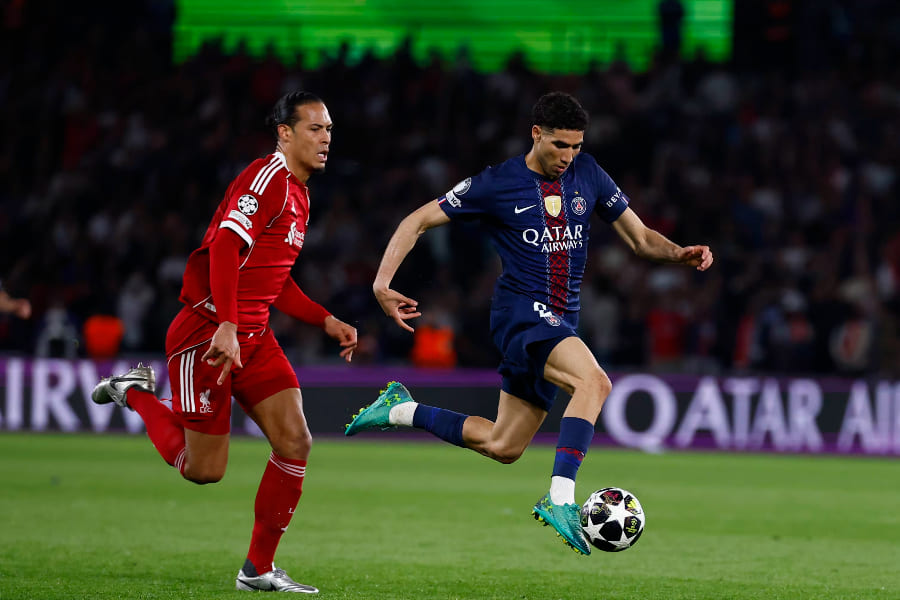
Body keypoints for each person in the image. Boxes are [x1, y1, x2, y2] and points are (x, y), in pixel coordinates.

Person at [345, 92, 713, 555]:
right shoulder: (498, 183)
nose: (568, 156)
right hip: (520, 311)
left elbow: (639, 238)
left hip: (560, 320)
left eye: (576, 146)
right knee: (594, 383)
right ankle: (561, 497)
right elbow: (415, 221)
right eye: (560, 145)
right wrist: (382, 283)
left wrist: (678, 253)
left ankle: (400, 409)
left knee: (504, 445)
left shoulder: (588, 173)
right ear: (536, 134)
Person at [92, 91, 357, 593]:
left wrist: (323, 319)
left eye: (329, 129)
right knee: (203, 471)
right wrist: (228, 325)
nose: (326, 138)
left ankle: (258, 569)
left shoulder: (300, 194)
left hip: (252, 337)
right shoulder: (267, 178)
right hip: (206, 334)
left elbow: (272, 277)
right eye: (315, 128)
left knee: (295, 441)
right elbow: (225, 248)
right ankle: (135, 392)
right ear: (284, 133)